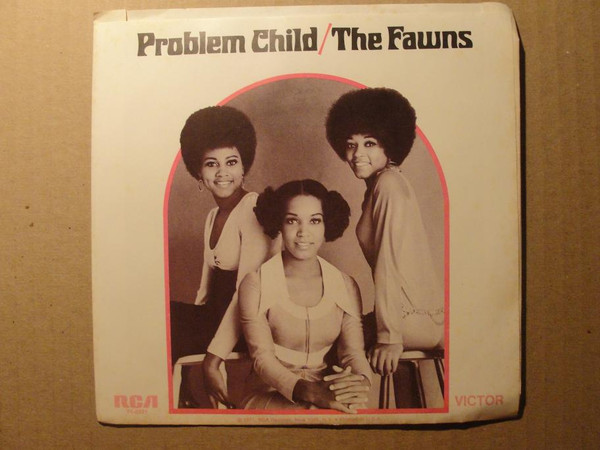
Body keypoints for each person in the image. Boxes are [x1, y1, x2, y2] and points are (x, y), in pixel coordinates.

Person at [325, 88, 444, 377]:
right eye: (351, 145)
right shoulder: (384, 184)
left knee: (315, 340)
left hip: (407, 321)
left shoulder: (387, 185)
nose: (357, 155)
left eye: (370, 143)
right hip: (419, 317)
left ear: (389, 144)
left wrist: (389, 337)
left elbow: (388, 263)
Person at [173, 105, 278, 407]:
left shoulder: (252, 209)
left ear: (244, 167)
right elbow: (204, 294)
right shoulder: (211, 217)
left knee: (167, 326)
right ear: (199, 172)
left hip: (248, 321)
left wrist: (212, 359)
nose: (222, 173)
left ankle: (185, 401)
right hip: (216, 316)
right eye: (211, 164)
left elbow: (246, 296)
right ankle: (181, 397)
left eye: (231, 162)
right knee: (159, 316)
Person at [239, 180, 372, 413]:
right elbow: (262, 360)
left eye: (315, 220)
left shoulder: (345, 285)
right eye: (292, 220)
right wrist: (312, 394)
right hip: (267, 393)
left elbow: (353, 353)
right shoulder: (255, 283)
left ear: (327, 224)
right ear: (279, 224)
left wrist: (361, 382)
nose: (303, 232)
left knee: (354, 415)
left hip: (325, 390)